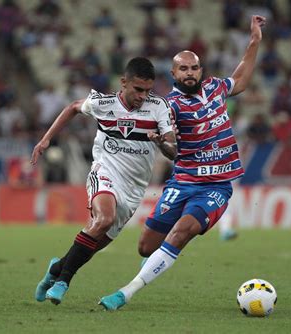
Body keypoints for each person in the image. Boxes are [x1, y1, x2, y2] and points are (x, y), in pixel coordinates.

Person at [99, 15, 266, 310]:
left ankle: (126, 292)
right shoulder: (169, 107)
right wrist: (162, 143)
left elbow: (240, 77)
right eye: (183, 69)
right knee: (145, 247)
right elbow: (172, 150)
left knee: (182, 231)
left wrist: (254, 42)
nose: (190, 73)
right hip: (183, 182)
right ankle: (170, 248)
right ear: (174, 74)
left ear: (201, 70)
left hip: (216, 186)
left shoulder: (216, 88)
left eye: (194, 67)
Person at [31, 57, 177, 305]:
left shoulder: (159, 107)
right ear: (123, 83)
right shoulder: (103, 103)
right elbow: (73, 108)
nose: (143, 96)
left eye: (147, 91)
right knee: (103, 219)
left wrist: (161, 142)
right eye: (138, 89)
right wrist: (46, 139)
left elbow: (173, 151)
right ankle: (64, 281)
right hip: (105, 171)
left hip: (134, 188)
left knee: (94, 244)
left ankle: (56, 269)